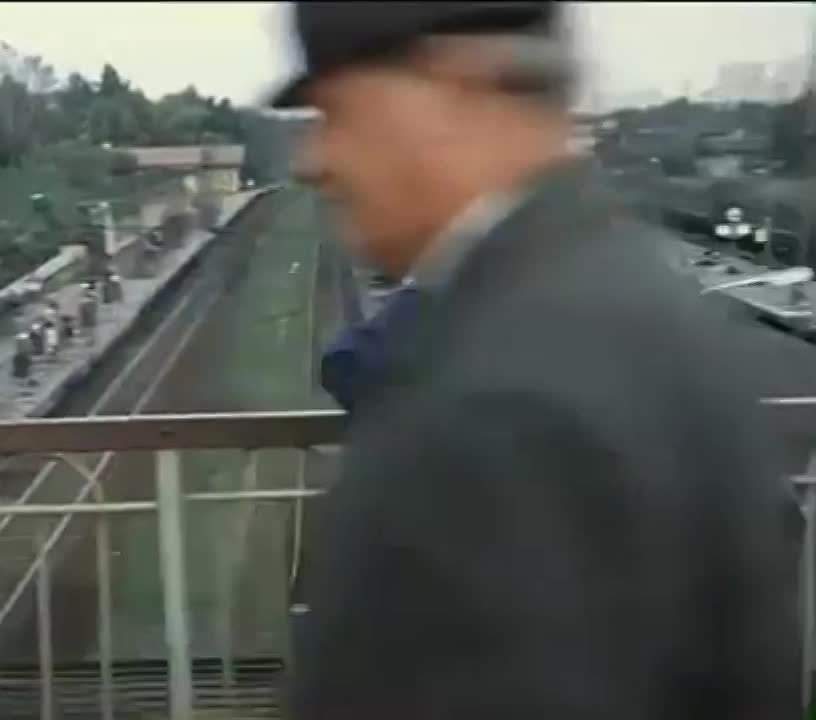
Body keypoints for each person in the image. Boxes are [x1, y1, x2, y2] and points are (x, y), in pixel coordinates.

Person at [266, 3, 801, 718]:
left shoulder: (498, 410)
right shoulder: (645, 309)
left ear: (458, 90)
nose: (312, 162)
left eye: (338, 113)